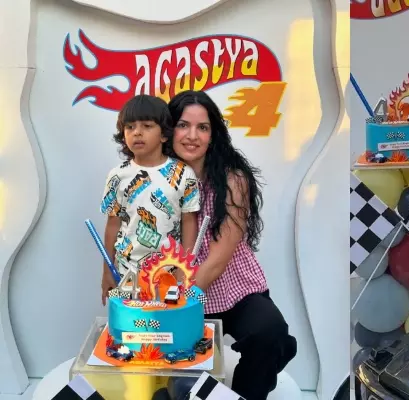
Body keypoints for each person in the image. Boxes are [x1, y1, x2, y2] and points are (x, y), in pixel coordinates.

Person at [168, 90, 297, 399]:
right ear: (168, 130)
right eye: (183, 125)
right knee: (175, 374)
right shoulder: (155, 182)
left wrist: (184, 305)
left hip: (230, 288)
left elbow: (217, 260)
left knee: (270, 333)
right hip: (174, 288)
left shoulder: (232, 180)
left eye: (202, 127)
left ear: (213, 135)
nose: (192, 136)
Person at [99, 95, 201, 303]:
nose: (137, 132)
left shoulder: (184, 174)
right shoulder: (117, 176)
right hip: (126, 274)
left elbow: (189, 223)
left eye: (146, 126)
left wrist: (183, 268)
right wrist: (107, 271)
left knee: (167, 322)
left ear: (163, 134)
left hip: (169, 275)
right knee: (131, 323)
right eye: (130, 127)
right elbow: (112, 225)